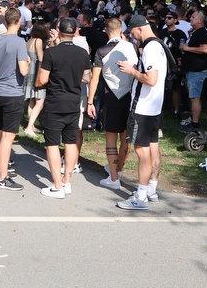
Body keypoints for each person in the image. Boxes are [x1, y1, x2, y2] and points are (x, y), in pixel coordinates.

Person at [35, 17, 90, 199]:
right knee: (70, 142)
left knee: (52, 143)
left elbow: (42, 79)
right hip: (73, 102)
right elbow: (87, 77)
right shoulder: (83, 53)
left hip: (55, 102)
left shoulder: (52, 52)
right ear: (75, 32)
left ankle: (57, 185)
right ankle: (66, 180)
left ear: (59, 32)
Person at [116, 15, 168, 210]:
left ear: (139, 29)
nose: (134, 38)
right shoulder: (159, 45)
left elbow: (151, 79)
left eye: (133, 33)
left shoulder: (150, 48)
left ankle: (141, 196)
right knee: (152, 146)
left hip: (143, 107)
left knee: (141, 151)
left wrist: (131, 71)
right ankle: (151, 190)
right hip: (154, 107)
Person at [89, 17, 137, 189]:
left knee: (111, 138)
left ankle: (114, 178)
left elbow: (94, 79)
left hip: (111, 96)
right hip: (129, 96)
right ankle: (119, 169)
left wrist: (90, 101)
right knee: (126, 136)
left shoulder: (102, 50)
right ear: (121, 30)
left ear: (105, 30)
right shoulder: (131, 47)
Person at [0, 7, 29, 191]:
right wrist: (28, 61)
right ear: (19, 21)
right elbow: (23, 70)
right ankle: (3, 178)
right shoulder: (19, 42)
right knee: (8, 137)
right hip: (12, 93)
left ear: (4, 22)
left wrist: (0, 66)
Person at [179, 11, 207, 133]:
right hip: (192, 69)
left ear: (200, 20)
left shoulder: (202, 33)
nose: (190, 18)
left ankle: (195, 124)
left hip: (197, 70)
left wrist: (187, 48)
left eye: (193, 17)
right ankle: (193, 119)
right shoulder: (196, 33)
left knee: (195, 97)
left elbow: (205, 49)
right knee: (192, 97)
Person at [22, 22, 51, 137]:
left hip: (29, 72)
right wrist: (48, 48)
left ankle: (31, 124)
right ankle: (29, 128)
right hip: (36, 73)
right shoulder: (38, 41)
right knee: (40, 102)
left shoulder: (29, 40)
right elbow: (41, 57)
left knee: (32, 101)